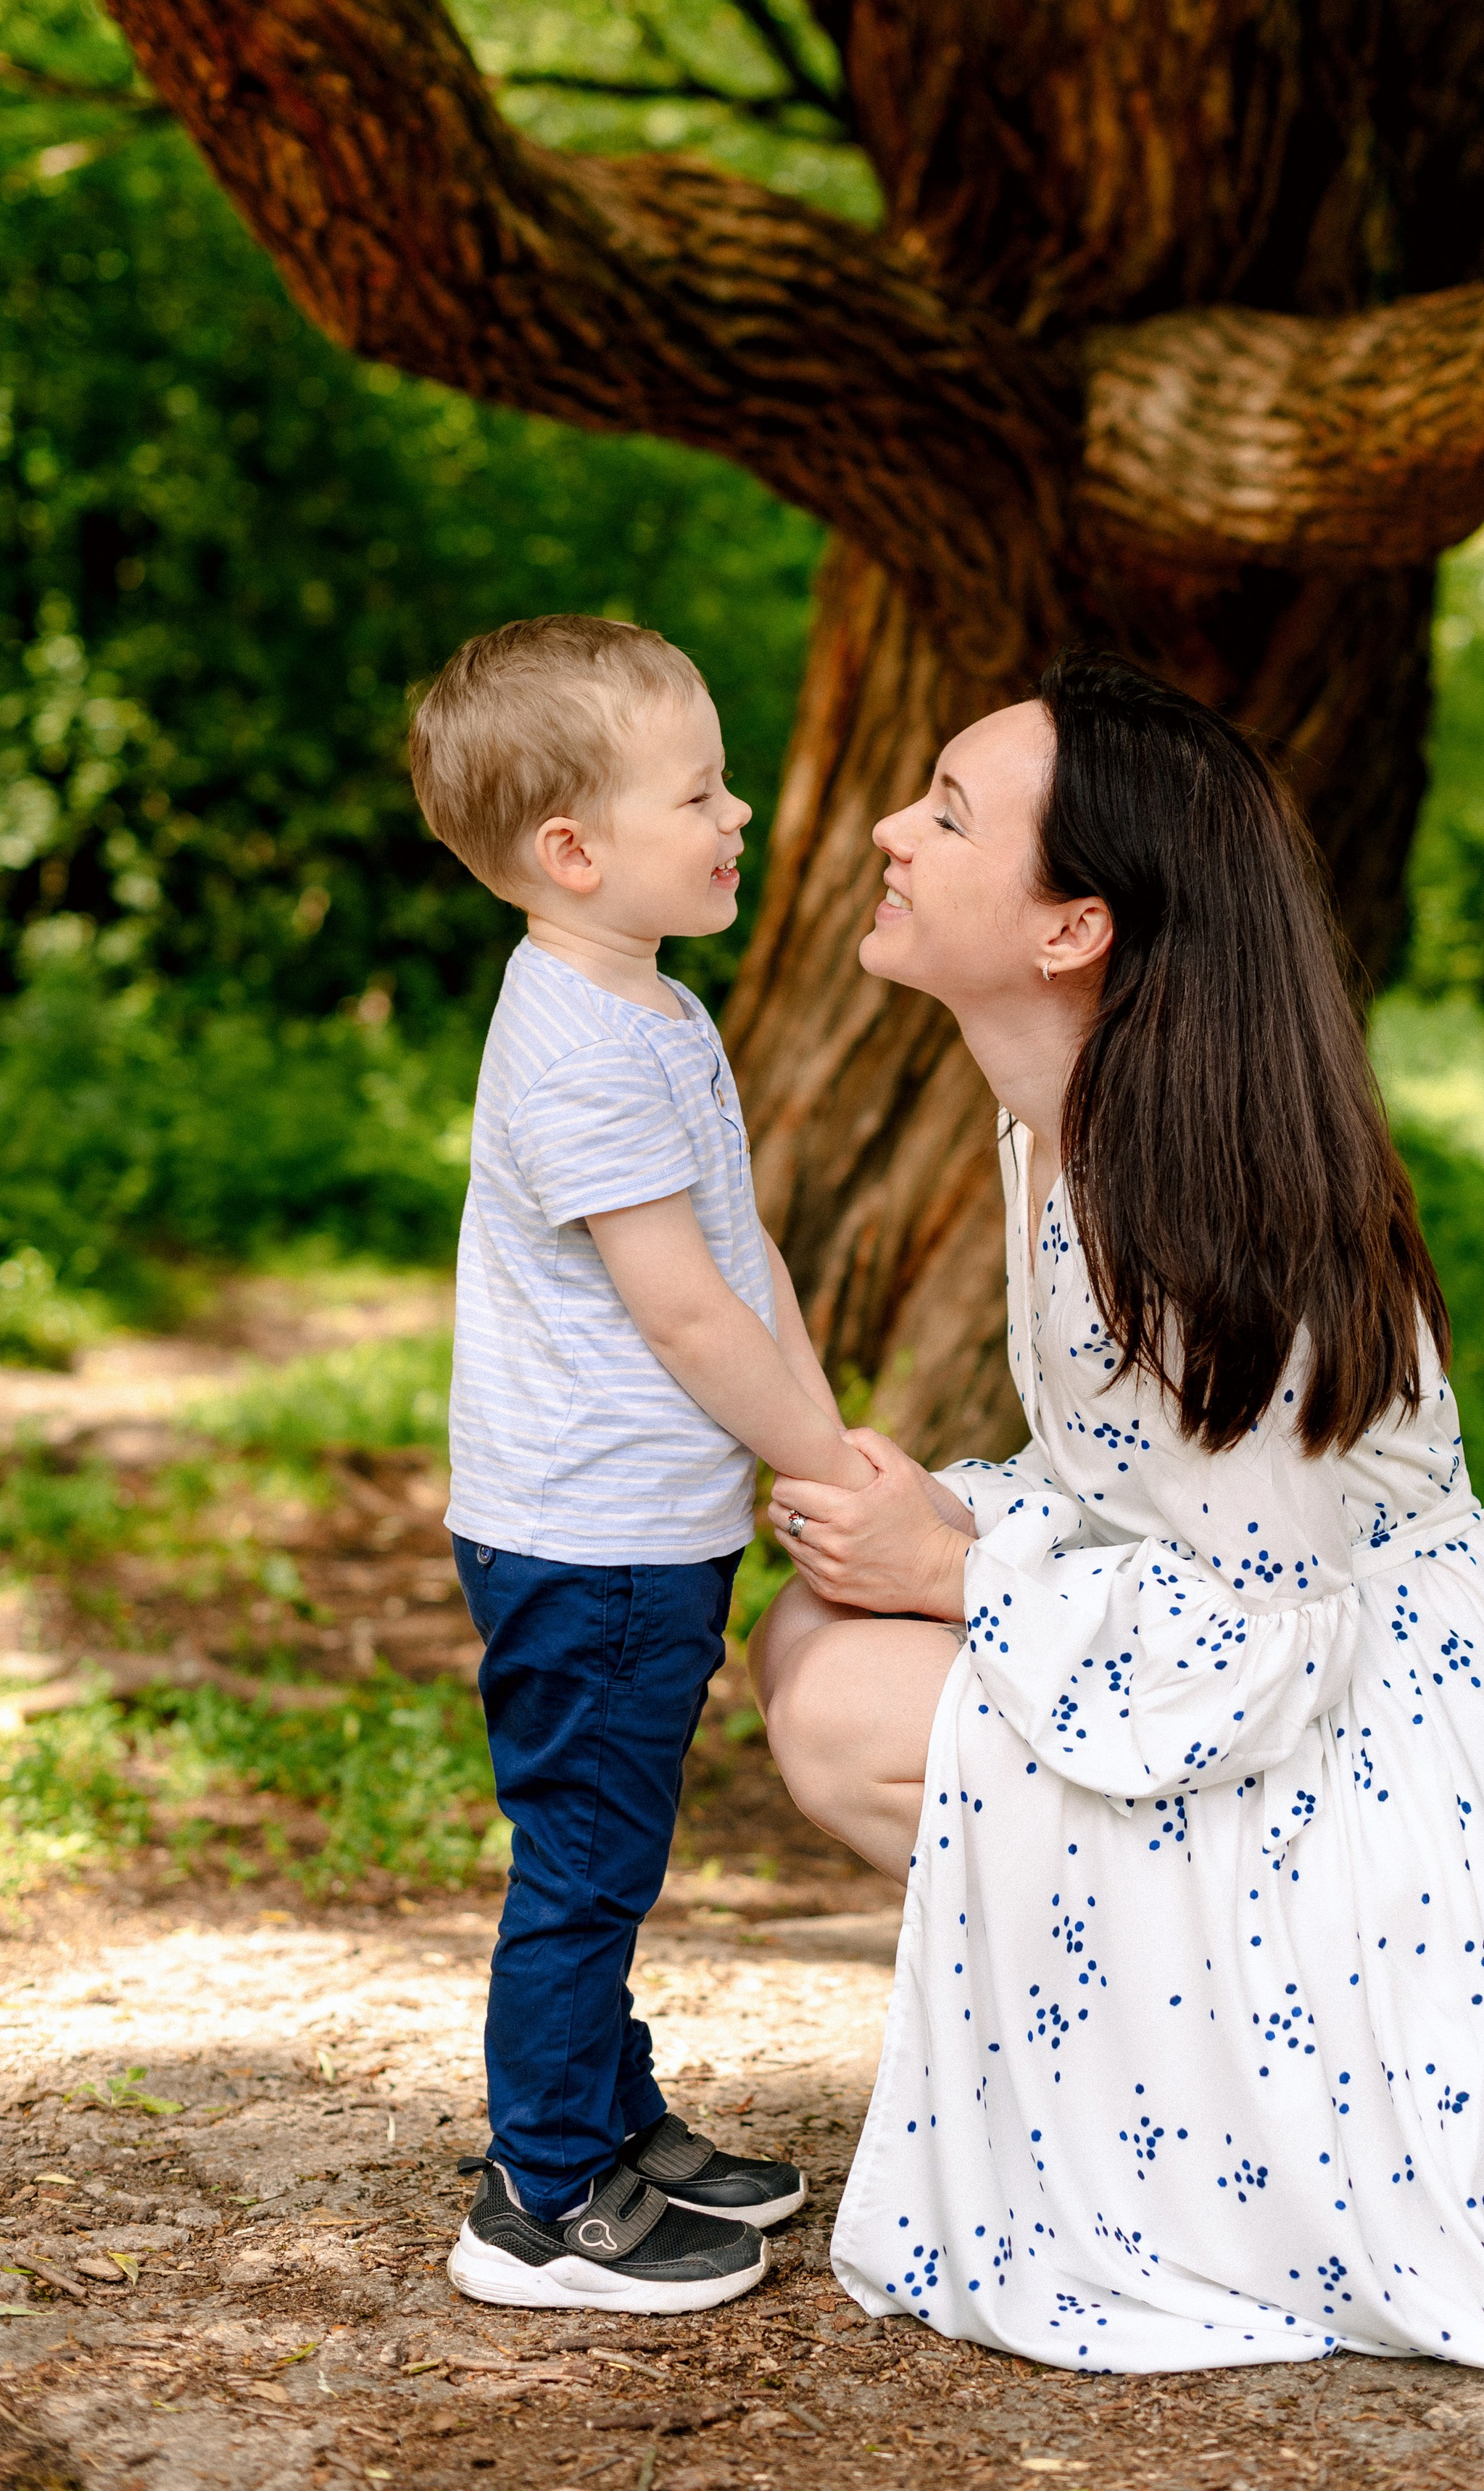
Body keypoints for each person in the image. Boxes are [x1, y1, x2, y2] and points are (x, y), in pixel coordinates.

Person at [750, 652, 1484, 2380]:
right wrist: (950, 1516)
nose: (889, 830)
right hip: (1274, 1655)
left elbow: (1266, 1631)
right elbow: (1141, 1490)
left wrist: (959, 1571)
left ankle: (1238, 2099)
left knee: (839, 1697)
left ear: (1070, 930)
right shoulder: (1073, 1124)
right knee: (816, 1636)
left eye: (947, 813)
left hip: (1371, 1744)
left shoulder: (1195, 1215)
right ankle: (1153, 2056)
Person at [408, 613, 872, 2313]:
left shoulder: (649, 1001)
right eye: (701, 790)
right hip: (587, 1538)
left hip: (640, 1526)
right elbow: (681, 1315)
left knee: (616, 1838)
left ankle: (606, 2114)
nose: (737, 812)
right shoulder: (583, 1043)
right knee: (587, 1857)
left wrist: (818, 1434)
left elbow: (744, 1258)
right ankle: (538, 2193)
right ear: (572, 850)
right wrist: (813, 1458)